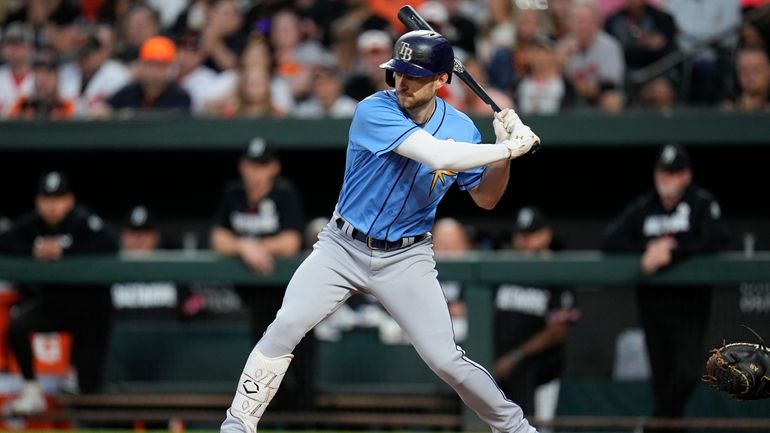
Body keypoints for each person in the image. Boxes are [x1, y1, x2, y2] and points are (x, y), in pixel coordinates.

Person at [220, 29, 541, 433]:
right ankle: (236, 426)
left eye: (415, 75)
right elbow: (436, 153)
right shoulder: (374, 109)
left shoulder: (464, 130)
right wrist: (509, 148)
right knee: (286, 324)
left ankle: (517, 429)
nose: (402, 82)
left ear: (442, 80)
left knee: (445, 359)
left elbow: (486, 199)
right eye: (398, 72)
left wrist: (501, 155)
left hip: (407, 257)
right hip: (342, 247)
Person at [600, 144, 728, 433]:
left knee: (686, 372)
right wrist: (649, 248)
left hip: (690, 302)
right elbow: (609, 240)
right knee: (663, 376)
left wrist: (673, 251)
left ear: (686, 175)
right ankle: (665, 425)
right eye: (663, 172)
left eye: (674, 173)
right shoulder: (645, 206)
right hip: (654, 302)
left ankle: (653, 424)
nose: (667, 179)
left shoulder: (701, 203)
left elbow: (716, 238)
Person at [0, 171, 119, 415]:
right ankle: (32, 389)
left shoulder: (82, 221)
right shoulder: (33, 225)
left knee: (88, 389)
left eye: (58, 198)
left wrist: (65, 249)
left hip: (90, 311)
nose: (52, 205)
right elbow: (4, 241)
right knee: (18, 324)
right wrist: (35, 248)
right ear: (38, 201)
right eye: (47, 198)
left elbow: (110, 242)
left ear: (70, 200)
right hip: (55, 305)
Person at [210, 138, 310, 410]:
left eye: (261, 165)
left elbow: (290, 242)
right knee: (262, 348)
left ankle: (302, 405)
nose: (255, 171)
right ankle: (266, 406)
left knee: (297, 349)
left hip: (287, 290)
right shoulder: (233, 193)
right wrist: (244, 246)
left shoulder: (284, 193)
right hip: (252, 292)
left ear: (273, 168)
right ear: (243, 166)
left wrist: (259, 246)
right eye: (251, 164)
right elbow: (218, 237)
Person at [493, 207, 580, 431]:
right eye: (520, 235)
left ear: (546, 235)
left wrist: (517, 356)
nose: (524, 241)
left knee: (537, 428)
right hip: (501, 370)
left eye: (531, 234)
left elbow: (559, 329)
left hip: (540, 373)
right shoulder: (502, 270)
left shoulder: (556, 273)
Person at [92, 35, 191, 118]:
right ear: (140, 65)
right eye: (150, 64)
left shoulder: (180, 97)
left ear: (170, 68)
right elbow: (103, 110)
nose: (154, 71)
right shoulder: (128, 92)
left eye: (161, 65)